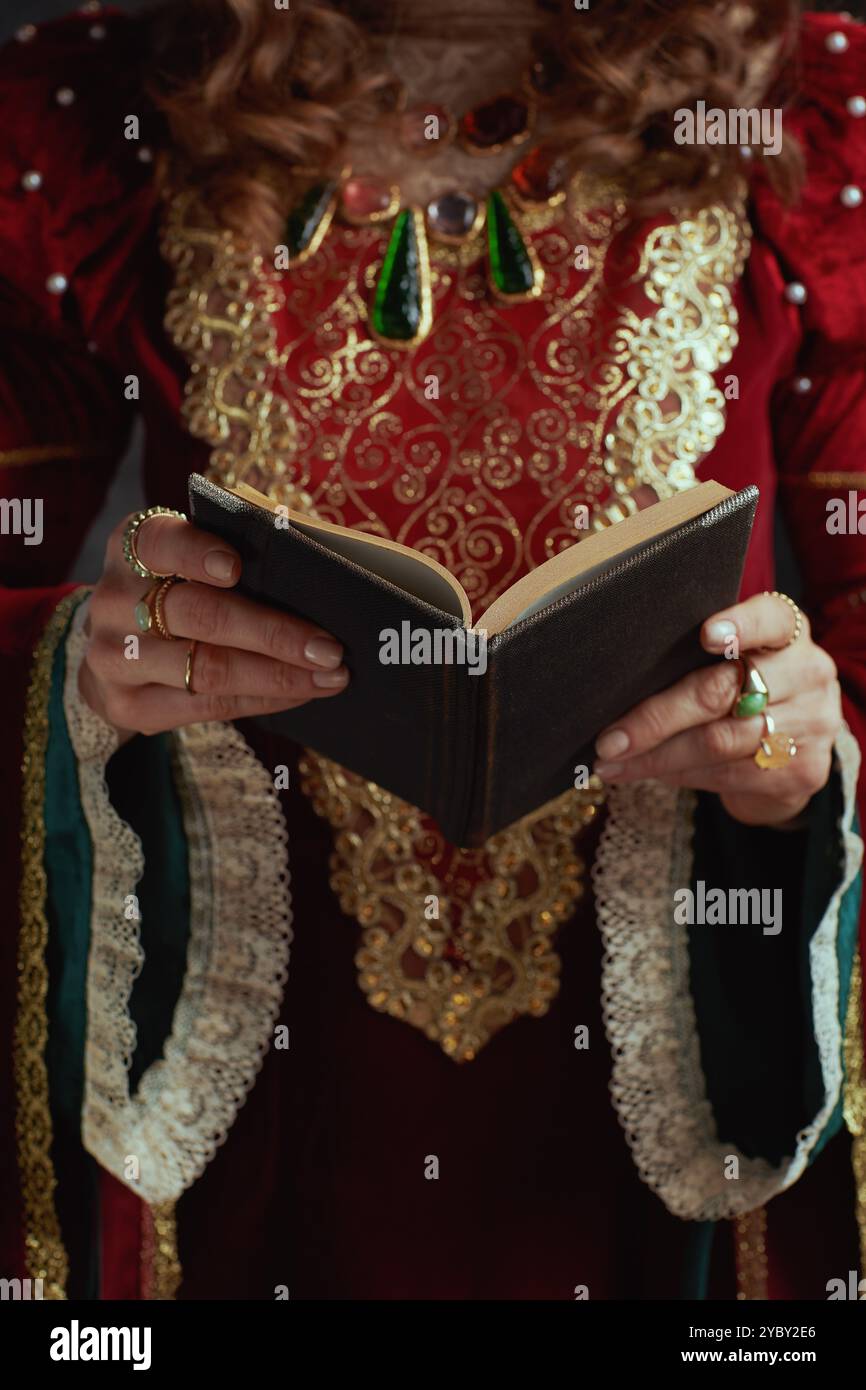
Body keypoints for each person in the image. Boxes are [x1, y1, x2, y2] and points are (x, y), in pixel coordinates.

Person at [1, 0, 864, 1302]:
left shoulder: (802, 110)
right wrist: (80, 662)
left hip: (682, 1078)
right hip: (260, 1096)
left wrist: (811, 743)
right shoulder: (97, 112)